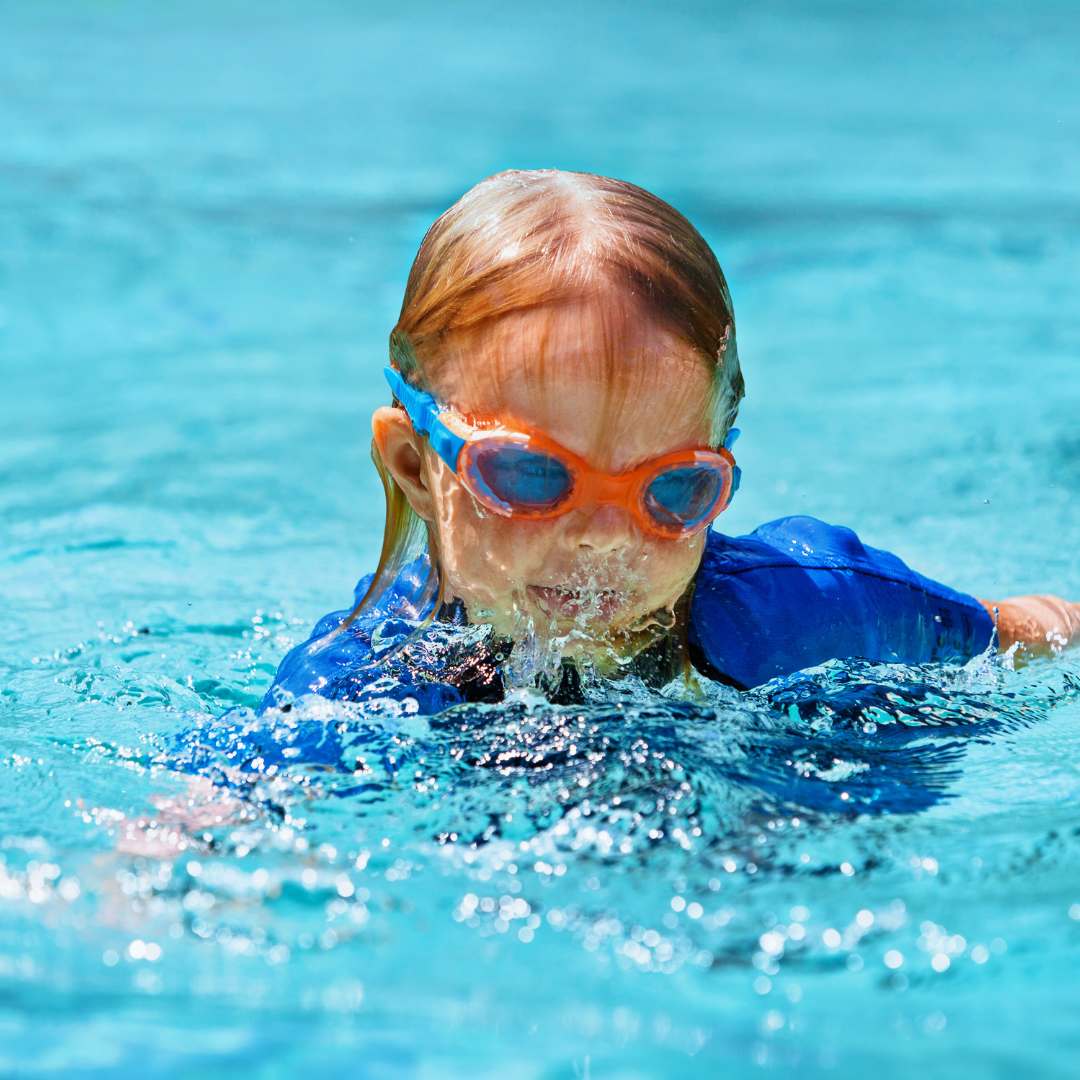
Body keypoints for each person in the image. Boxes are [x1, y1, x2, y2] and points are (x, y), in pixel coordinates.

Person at [263, 168, 1080, 716]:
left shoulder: (804, 606)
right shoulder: (364, 679)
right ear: (416, 464)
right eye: (530, 476)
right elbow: (219, 812)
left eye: (671, 491)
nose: (602, 539)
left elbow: (1017, 633)